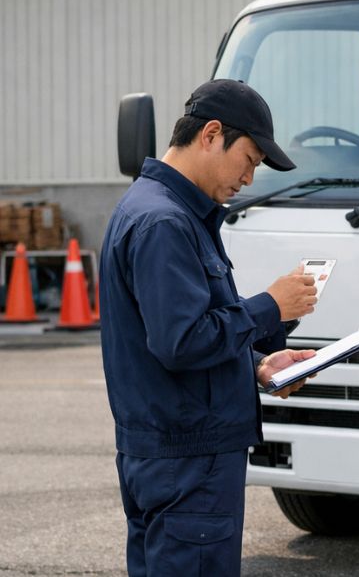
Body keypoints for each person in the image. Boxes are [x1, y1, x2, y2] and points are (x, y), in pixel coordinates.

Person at [100, 79, 320, 576]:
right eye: (249, 158)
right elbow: (181, 342)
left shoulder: (166, 211)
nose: (249, 177)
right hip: (187, 460)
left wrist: (260, 363)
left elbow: (187, 325)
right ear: (211, 134)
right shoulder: (164, 222)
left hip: (172, 454)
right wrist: (271, 307)